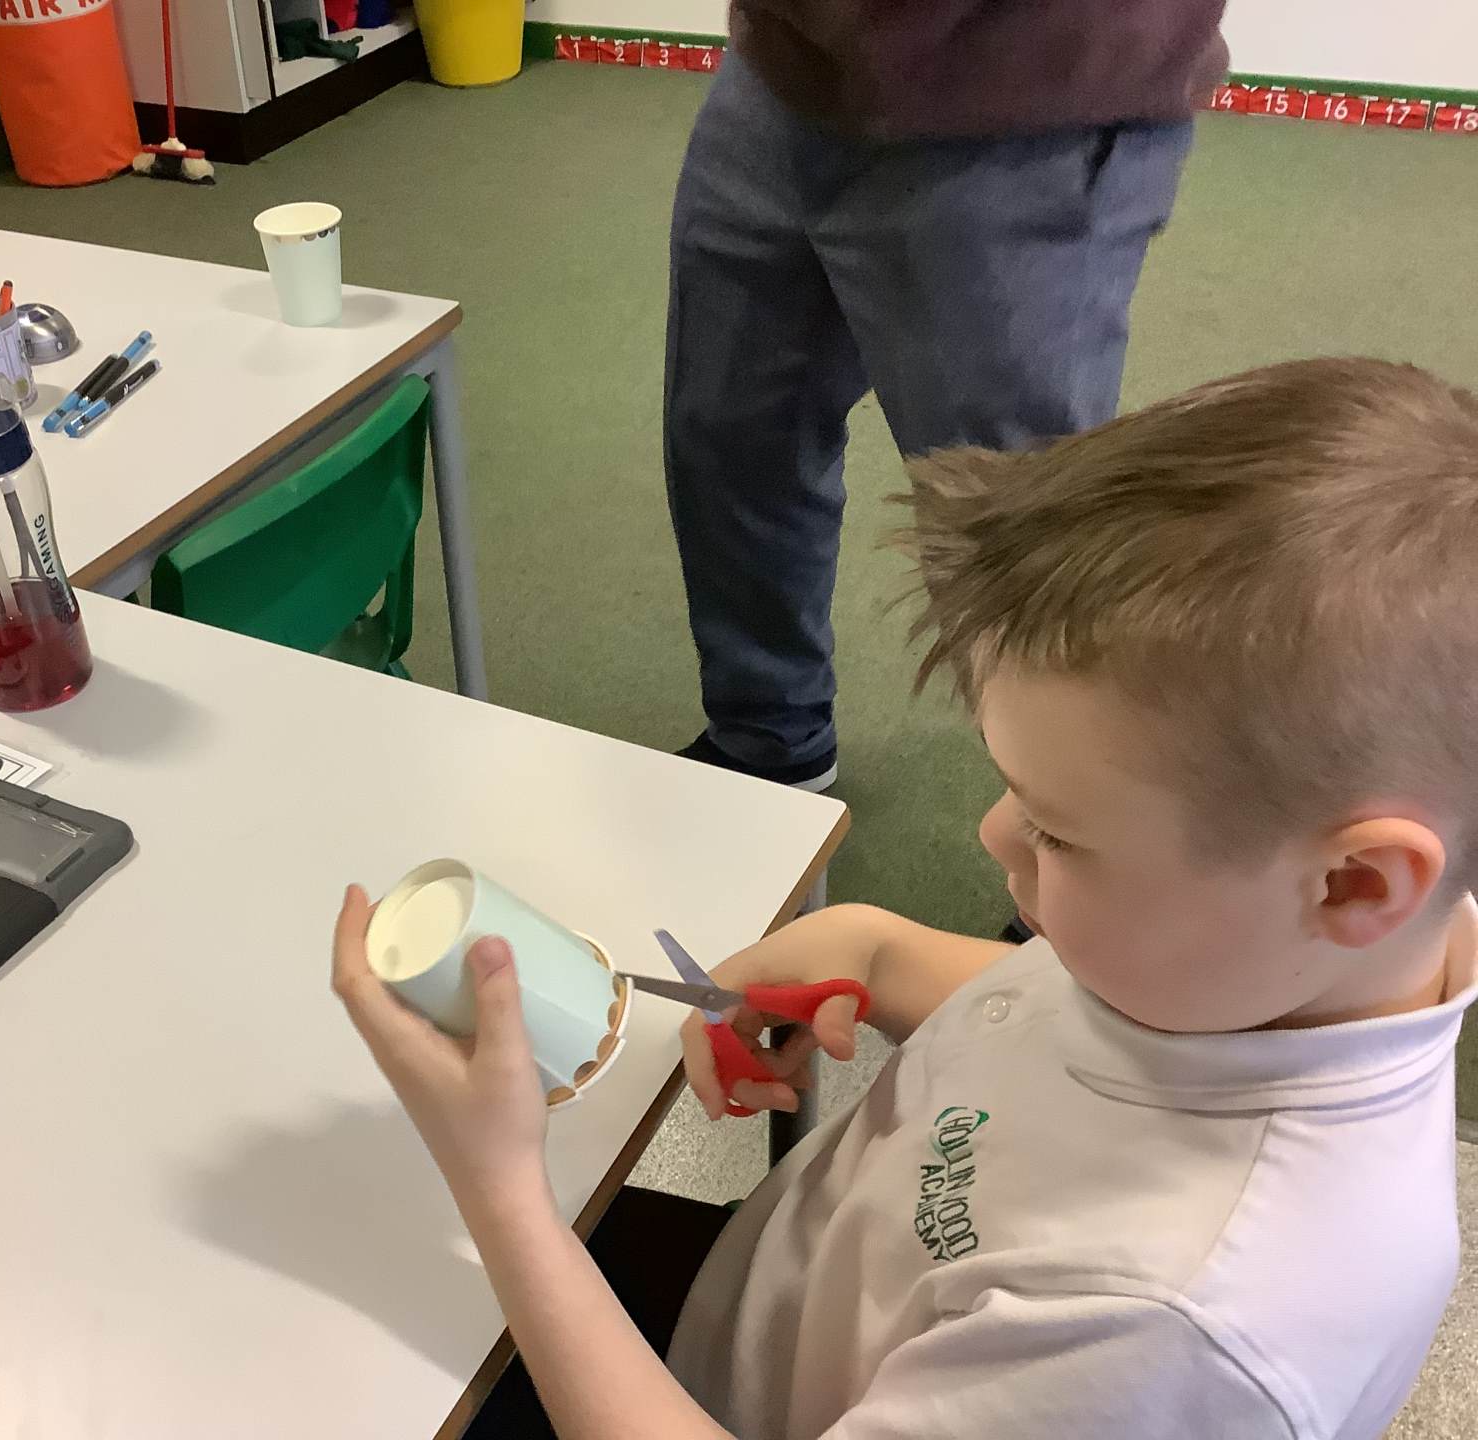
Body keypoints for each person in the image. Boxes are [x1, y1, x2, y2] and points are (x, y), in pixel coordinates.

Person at [333, 358, 1478, 1437]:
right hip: (766, 1315)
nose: (993, 836)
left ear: (1356, 884)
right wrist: (870, 949)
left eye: (1057, 830)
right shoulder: (1269, 968)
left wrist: (500, 1189)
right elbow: (1061, 1020)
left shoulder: (1163, 1332)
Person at [667, 0, 1227, 791]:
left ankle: (1074, 829)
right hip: (787, 70)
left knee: (1015, 531)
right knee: (731, 439)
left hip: (1024, 106)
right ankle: (768, 741)